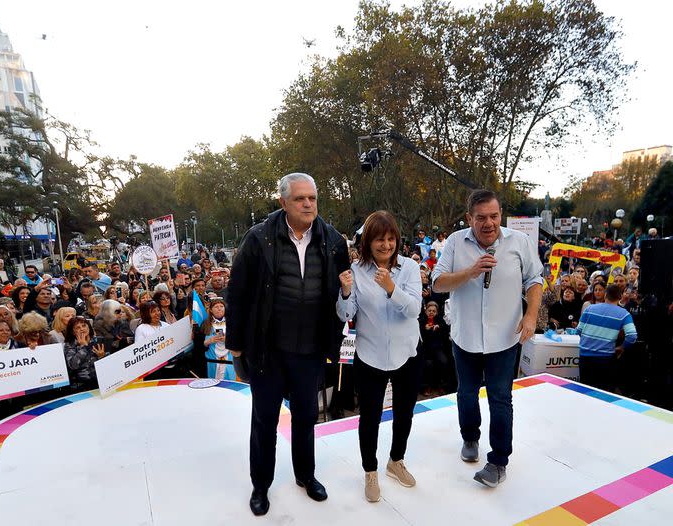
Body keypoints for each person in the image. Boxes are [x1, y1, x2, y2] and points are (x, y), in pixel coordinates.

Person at [226, 172, 350, 516]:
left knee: (307, 416)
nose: (308, 204)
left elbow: (343, 294)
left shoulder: (332, 241)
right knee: (265, 419)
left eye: (312, 197)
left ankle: (305, 475)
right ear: (283, 203)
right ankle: (260, 485)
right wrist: (236, 347)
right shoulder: (258, 239)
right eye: (300, 199)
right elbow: (236, 295)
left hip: (310, 349)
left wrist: (335, 341)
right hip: (267, 350)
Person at [432, 189, 543, 488]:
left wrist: (531, 315)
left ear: (500, 215)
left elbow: (535, 280)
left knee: (500, 398)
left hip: (505, 338)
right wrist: (469, 272)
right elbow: (437, 283)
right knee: (466, 394)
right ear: (469, 218)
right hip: (465, 337)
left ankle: (498, 462)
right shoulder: (455, 242)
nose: (489, 223)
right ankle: (470, 437)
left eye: (494, 216)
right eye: (481, 218)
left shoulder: (519, 242)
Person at [336, 210, 423, 503]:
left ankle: (395, 460)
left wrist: (391, 289)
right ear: (367, 242)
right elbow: (348, 316)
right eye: (379, 240)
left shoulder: (409, 268)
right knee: (369, 417)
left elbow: (413, 310)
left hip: (406, 354)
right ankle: (370, 471)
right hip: (369, 355)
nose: (386, 245)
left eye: (390, 239)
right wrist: (346, 293)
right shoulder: (357, 271)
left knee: (404, 412)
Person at [576, 284, 637, 392]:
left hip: (585, 357)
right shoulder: (624, 314)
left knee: (585, 392)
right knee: (604, 395)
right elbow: (632, 336)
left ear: (605, 295)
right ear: (620, 297)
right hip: (606, 359)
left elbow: (579, 330)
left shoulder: (589, 308)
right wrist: (621, 348)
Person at [63, 316, 106, 391]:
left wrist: (102, 357)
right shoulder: (69, 345)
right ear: (73, 332)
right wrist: (83, 347)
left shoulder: (98, 341)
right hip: (80, 385)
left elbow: (108, 365)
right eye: (77, 328)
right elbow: (73, 366)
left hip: (100, 381)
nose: (82, 329)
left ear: (89, 327)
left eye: (84, 326)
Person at [202, 298, 234, 380]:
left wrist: (228, 340)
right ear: (211, 310)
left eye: (221, 306)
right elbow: (200, 344)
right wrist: (209, 341)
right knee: (214, 384)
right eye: (216, 306)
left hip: (229, 359)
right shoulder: (206, 323)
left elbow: (239, 341)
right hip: (213, 359)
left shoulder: (232, 322)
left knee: (229, 384)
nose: (219, 308)